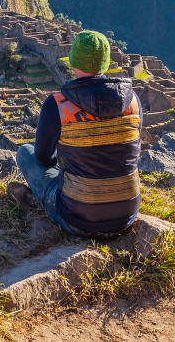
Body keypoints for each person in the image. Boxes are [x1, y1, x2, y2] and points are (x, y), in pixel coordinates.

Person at [9, 30, 143, 238]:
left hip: (79, 219)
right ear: (106, 64)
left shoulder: (58, 104)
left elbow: (43, 158)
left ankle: (42, 201)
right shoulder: (132, 100)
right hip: (127, 214)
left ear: (73, 62)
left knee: (25, 153)